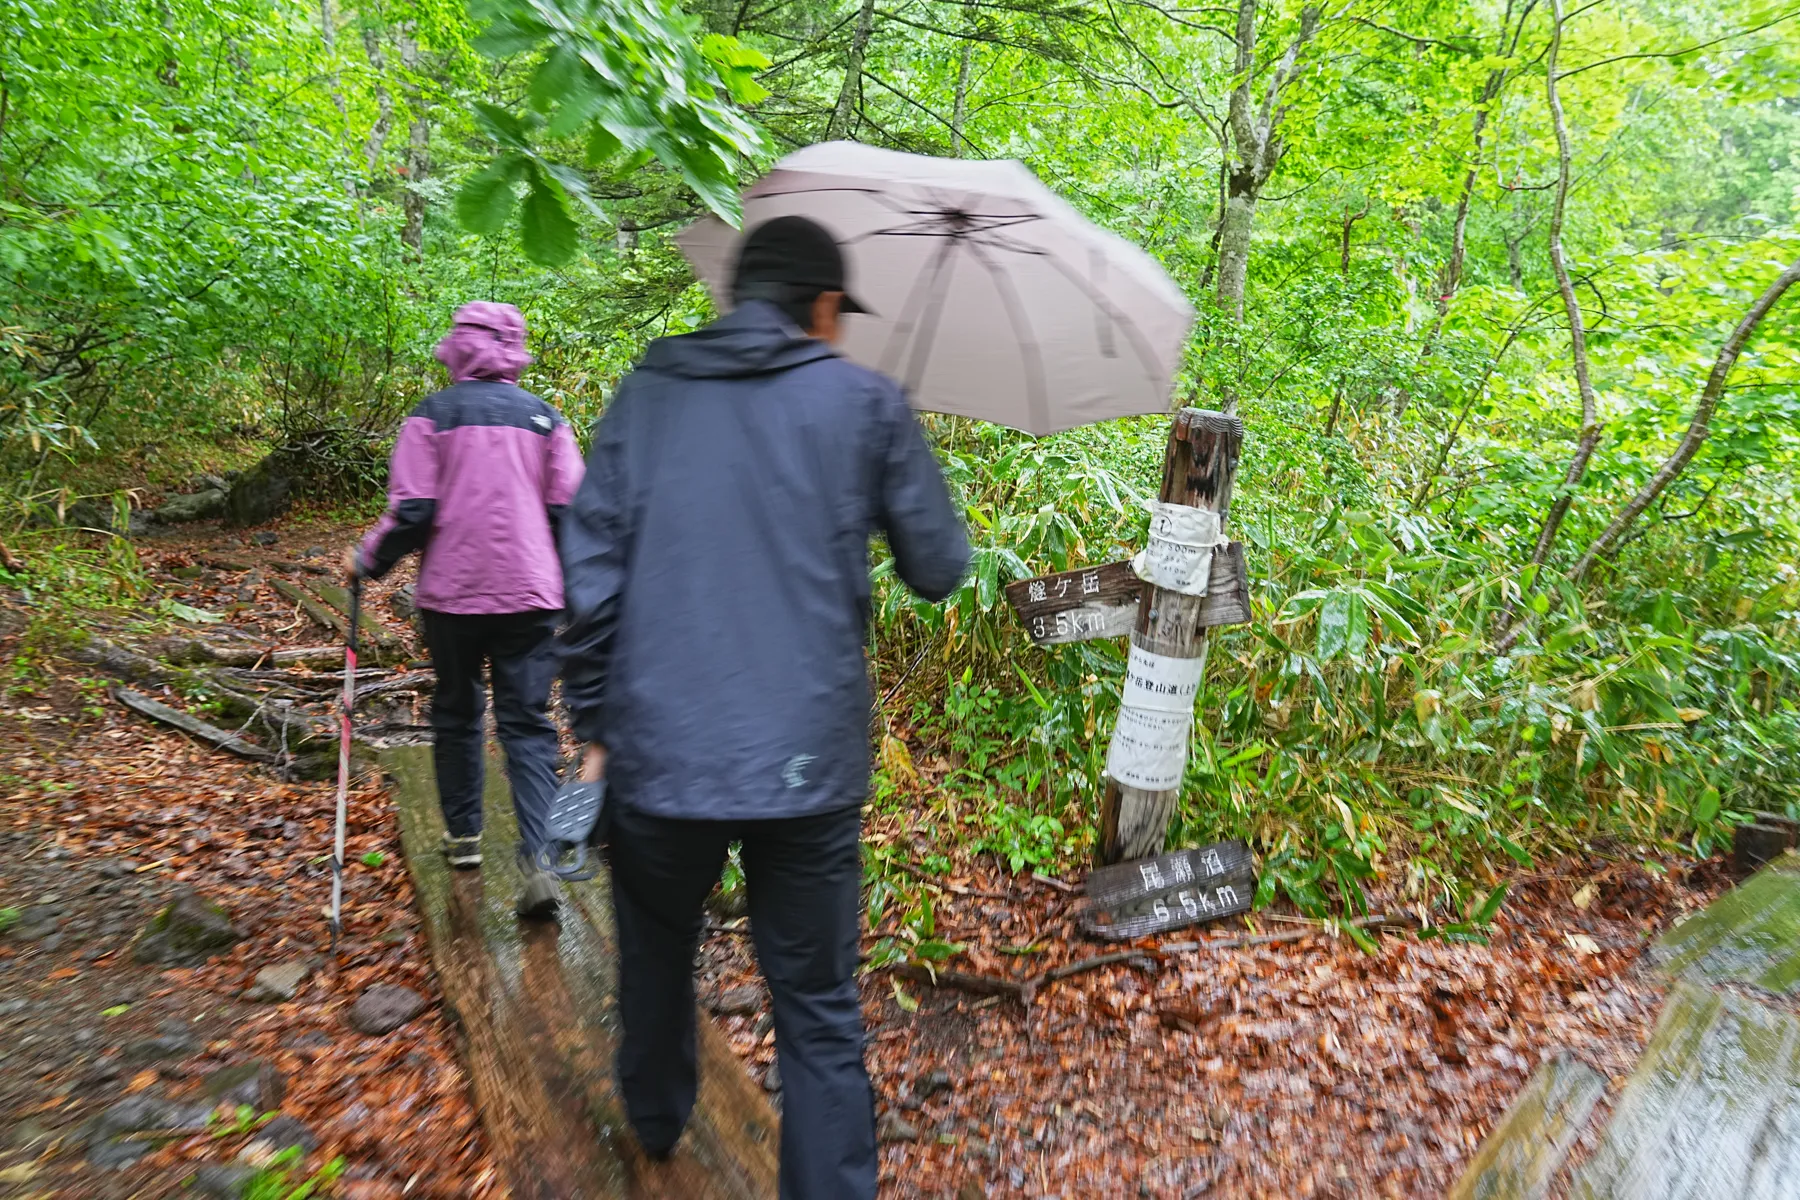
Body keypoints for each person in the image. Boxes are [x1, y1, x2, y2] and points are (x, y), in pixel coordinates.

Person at [559, 215, 970, 1198]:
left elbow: (591, 576)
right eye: (840, 315)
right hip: (808, 764)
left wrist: (596, 726)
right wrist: (888, 447)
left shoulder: (650, 394)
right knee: (819, 1006)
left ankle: (656, 1120)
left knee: (655, 952)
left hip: (660, 751)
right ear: (823, 307)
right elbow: (942, 568)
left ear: (738, 299)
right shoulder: (866, 404)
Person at [348, 301, 585, 919]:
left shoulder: (430, 417)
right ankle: (536, 856)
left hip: (452, 596)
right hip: (532, 595)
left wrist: (365, 561)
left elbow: (413, 513)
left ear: (457, 347)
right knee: (528, 723)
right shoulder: (545, 419)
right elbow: (570, 515)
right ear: (514, 349)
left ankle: (463, 839)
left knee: (455, 709)